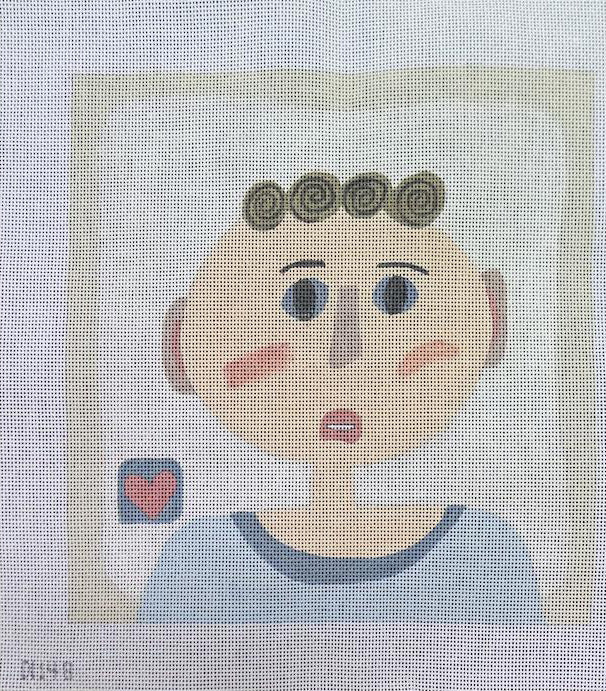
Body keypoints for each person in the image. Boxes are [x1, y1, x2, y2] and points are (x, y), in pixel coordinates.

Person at [139, 172, 544, 623]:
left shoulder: (485, 556)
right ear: (181, 344)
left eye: (396, 296)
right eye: (303, 299)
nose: (345, 350)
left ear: (491, 322)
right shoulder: (200, 561)